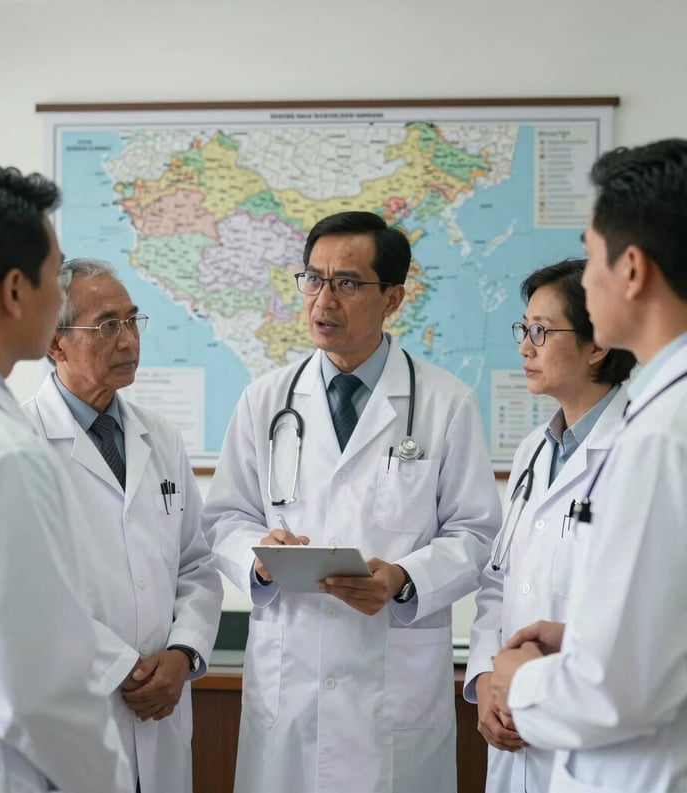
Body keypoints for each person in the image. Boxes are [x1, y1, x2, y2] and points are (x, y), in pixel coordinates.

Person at [202, 210, 501, 793]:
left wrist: (404, 578)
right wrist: (258, 556)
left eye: (346, 283)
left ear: (393, 298)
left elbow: (477, 533)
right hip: (291, 682)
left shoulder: (446, 402)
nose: (323, 300)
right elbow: (225, 518)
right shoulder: (265, 399)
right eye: (312, 279)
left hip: (393, 684)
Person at [0, 164, 131, 792]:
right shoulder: (1, 454)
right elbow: (45, 698)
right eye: (53, 274)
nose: (58, 297)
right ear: (15, 291)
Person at [491, 138, 687, 792]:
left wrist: (518, 678)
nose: (589, 276)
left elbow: (614, 689)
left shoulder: (660, 434)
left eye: (592, 253)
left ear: (630, 270)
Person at [22, 258, 222, 793]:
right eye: (107, 325)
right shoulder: (19, 444)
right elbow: (23, 594)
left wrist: (183, 654)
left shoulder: (160, 436)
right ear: (54, 342)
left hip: (162, 714)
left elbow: (197, 564)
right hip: (73, 715)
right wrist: (125, 670)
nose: (129, 341)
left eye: (133, 321)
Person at [464, 259, 636, 792]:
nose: (524, 347)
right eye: (524, 329)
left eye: (541, 331)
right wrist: (487, 678)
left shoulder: (641, 450)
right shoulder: (533, 452)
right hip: (514, 726)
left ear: (598, 344)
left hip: (596, 735)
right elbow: (499, 580)